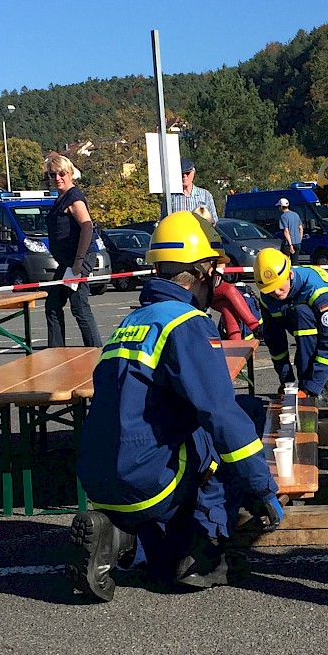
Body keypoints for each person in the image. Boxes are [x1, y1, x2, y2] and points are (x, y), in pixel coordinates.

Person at [68, 211, 282, 602]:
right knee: (242, 417)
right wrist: (262, 489)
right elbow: (221, 415)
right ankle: (200, 552)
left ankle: (119, 534)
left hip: (99, 477)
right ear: (201, 273)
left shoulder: (132, 321)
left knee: (182, 433)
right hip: (146, 480)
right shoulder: (186, 323)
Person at [253, 248, 328, 403]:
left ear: (290, 274)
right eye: (270, 290)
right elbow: (275, 343)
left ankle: (317, 388)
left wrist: (309, 387)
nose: (276, 293)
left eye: (279, 286)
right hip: (301, 316)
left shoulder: (317, 289)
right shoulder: (267, 297)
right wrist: (287, 382)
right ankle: (315, 379)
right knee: (301, 322)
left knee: (302, 314)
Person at [44, 153, 102, 349]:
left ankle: (96, 351)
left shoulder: (73, 196)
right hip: (66, 262)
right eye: (53, 175)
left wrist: (79, 260)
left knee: (79, 307)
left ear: (69, 173)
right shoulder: (60, 198)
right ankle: (55, 352)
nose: (57, 178)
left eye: (61, 173)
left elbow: (87, 226)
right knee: (52, 304)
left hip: (77, 260)